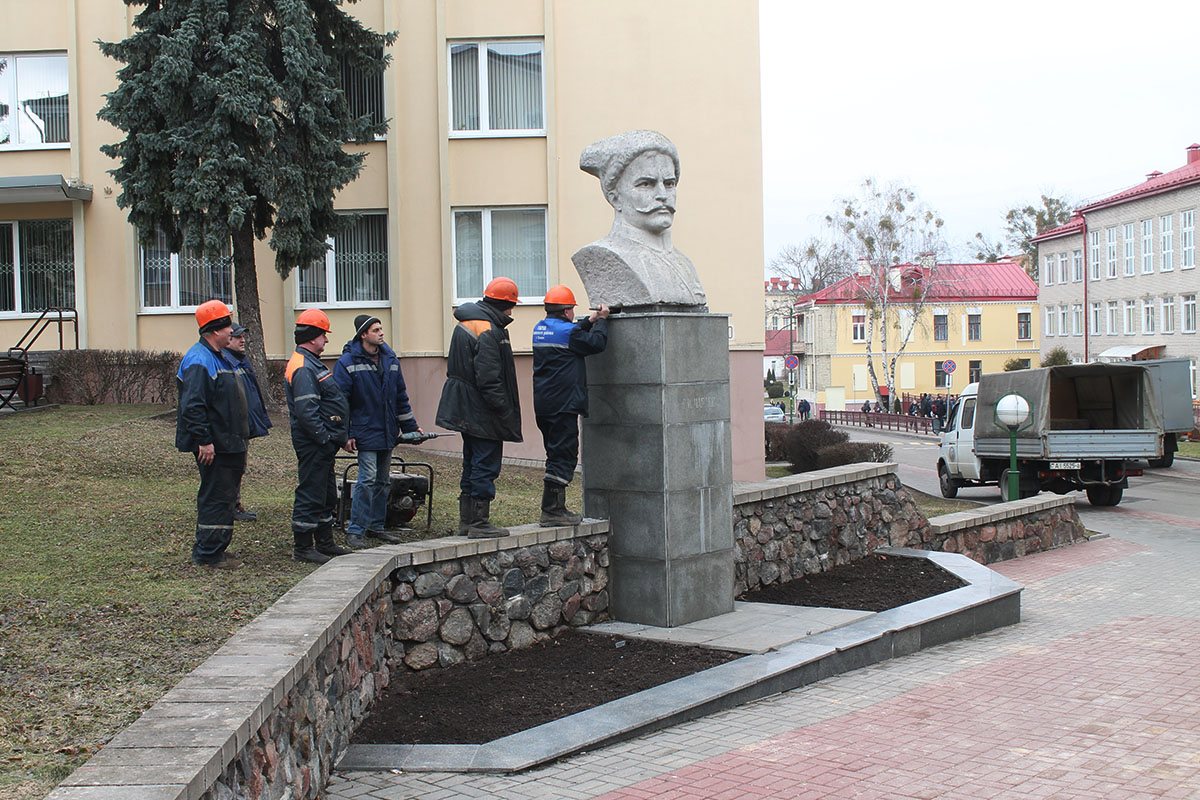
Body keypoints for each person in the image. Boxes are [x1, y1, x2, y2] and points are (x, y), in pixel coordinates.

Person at [571, 129, 707, 310]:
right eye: (646, 184)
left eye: (669, 184)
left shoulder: (685, 264)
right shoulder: (604, 256)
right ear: (614, 197)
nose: (662, 195)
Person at [436, 277, 523, 538]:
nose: (512, 311)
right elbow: (489, 377)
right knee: (486, 463)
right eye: (511, 306)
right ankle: (479, 523)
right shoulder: (489, 328)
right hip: (481, 408)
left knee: (472, 461)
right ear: (504, 304)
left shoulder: (469, 322)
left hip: (465, 404)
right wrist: (503, 409)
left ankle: (467, 520)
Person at [333, 315, 421, 548]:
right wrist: (346, 434)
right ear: (363, 334)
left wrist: (411, 427)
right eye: (376, 329)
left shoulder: (390, 359)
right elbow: (341, 402)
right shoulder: (347, 362)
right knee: (367, 480)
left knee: (382, 481)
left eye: (381, 328)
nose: (381, 333)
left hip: (387, 432)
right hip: (364, 432)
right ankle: (356, 530)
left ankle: (375, 526)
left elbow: (400, 396)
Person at [175, 300, 248, 569]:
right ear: (215, 329)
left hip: (226, 442)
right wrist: (204, 441)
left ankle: (216, 546)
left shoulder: (216, 357)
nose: (232, 331)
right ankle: (209, 553)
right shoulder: (199, 359)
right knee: (216, 495)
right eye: (228, 325)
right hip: (215, 444)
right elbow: (193, 406)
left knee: (225, 496)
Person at [532, 286, 610, 526]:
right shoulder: (570, 333)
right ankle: (553, 511)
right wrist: (602, 321)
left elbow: (573, 332)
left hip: (544, 403)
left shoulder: (541, 328)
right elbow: (596, 344)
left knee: (553, 453)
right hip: (563, 403)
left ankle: (552, 508)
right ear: (567, 311)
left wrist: (590, 319)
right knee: (564, 455)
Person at [285, 309, 353, 564]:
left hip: (321, 443)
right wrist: (324, 438)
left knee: (325, 493)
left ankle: (325, 542)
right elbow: (306, 410)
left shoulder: (310, 362)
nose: (326, 340)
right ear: (313, 336)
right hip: (314, 443)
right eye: (324, 335)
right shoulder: (303, 367)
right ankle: (303, 546)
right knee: (311, 491)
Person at [222, 323, 271, 521]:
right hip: (232, 428)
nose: (242, 340)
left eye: (243, 336)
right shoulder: (227, 362)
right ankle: (229, 506)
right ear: (227, 340)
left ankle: (235, 502)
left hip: (244, 425)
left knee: (240, 466)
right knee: (232, 467)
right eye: (237, 337)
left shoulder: (241, 361)